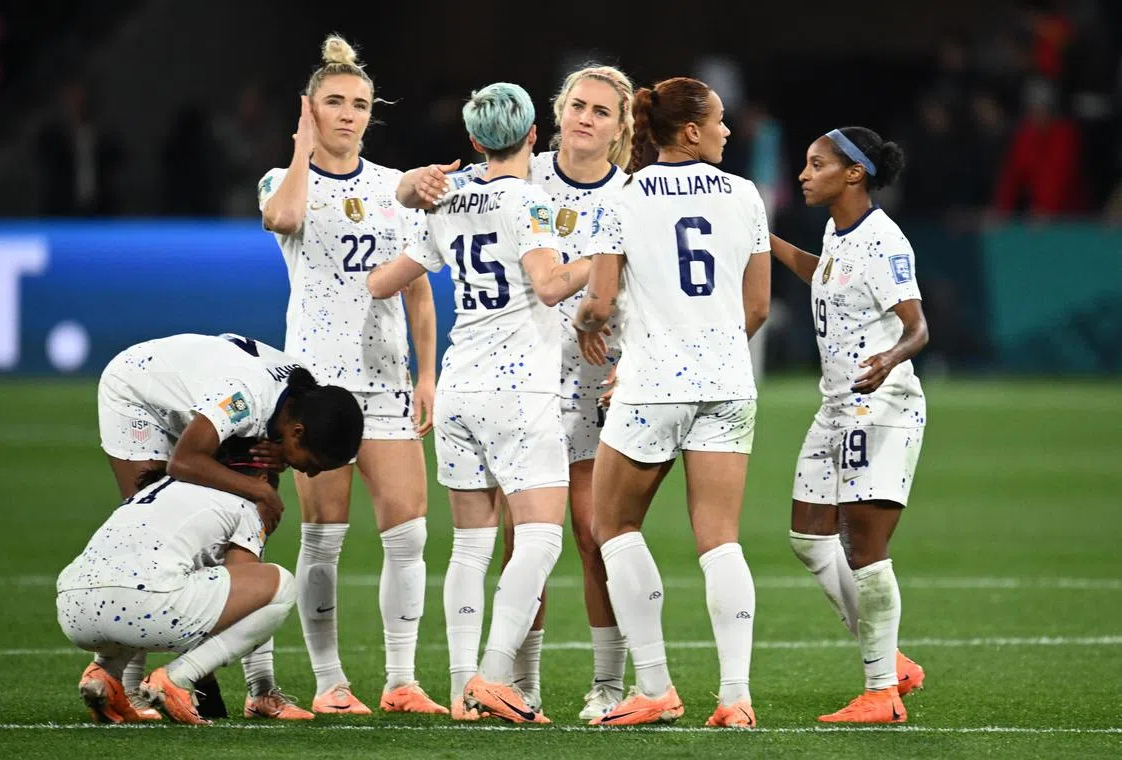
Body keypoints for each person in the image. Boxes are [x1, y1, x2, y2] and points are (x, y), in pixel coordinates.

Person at [398, 63, 635, 720]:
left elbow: (644, 283)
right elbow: (429, 196)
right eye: (578, 105)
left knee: (592, 533)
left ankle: (608, 683)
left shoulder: (631, 195)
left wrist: (621, 339)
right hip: (520, 381)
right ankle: (519, 681)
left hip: (591, 381)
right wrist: (409, 184)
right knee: (517, 538)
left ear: (620, 128)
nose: (586, 119)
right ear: (553, 116)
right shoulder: (520, 174)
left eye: (601, 111)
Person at [258, 34, 445, 716]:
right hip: (317, 387)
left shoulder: (392, 188)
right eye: (334, 102)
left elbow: (417, 288)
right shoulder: (283, 181)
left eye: (360, 104)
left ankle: (401, 680)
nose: (348, 114)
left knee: (409, 532)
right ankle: (331, 682)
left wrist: (427, 374)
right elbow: (281, 217)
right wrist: (301, 148)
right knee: (324, 536)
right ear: (309, 108)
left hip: (386, 380)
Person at [576, 76, 770, 728]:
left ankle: (655, 686)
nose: (726, 130)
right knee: (720, 541)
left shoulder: (623, 198)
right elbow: (757, 306)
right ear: (690, 131)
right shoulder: (745, 195)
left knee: (613, 527)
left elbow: (600, 302)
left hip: (653, 384)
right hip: (729, 382)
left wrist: (584, 323)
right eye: (719, 120)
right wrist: (711, 347)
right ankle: (735, 697)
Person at [96, 330, 363, 718]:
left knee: (247, 527)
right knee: (150, 534)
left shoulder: (302, 403)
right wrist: (262, 490)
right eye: (314, 464)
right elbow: (185, 461)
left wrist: (268, 476)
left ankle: (260, 689)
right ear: (297, 432)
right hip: (138, 392)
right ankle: (129, 686)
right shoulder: (245, 398)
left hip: (200, 407)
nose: (311, 474)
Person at [770, 126, 929, 724]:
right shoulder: (838, 232)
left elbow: (918, 327)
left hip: (880, 407)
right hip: (834, 406)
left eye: (817, 165)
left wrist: (889, 359)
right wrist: (766, 241)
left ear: (854, 173)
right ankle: (892, 661)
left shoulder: (884, 241)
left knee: (864, 549)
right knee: (809, 537)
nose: (804, 174)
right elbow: (829, 276)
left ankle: (882, 691)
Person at [57, 438, 297, 726]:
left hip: (72, 610)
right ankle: (178, 677)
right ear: (262, 479)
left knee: (145, 579)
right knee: (281, 585)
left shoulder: (156, 489)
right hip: (144, 607)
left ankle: (105, 674)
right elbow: (240, 591)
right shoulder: (245, 502)